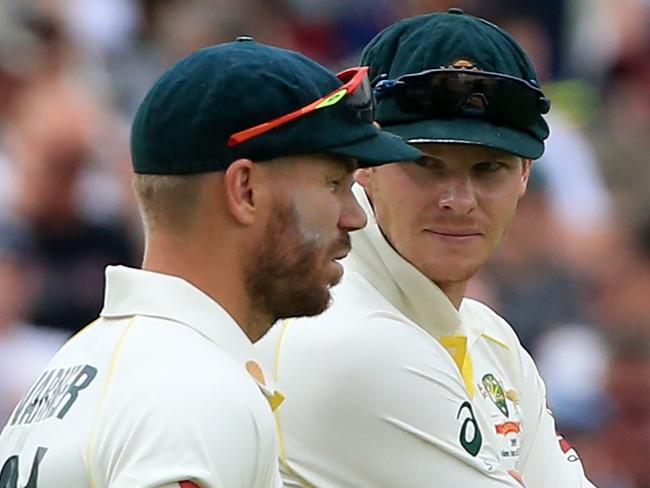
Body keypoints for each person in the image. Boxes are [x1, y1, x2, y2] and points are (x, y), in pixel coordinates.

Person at [0, 38, 420, 487]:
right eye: (334, 182)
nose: (355, 216)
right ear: (245, 191)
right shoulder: (195, 389)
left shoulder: (77, 362)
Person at [257, 9, 596, 488]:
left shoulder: (491, 338)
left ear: (524, 176)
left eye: (488, 169)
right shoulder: (346, 336)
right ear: (364, 165)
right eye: (425, 164)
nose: (458, 201)